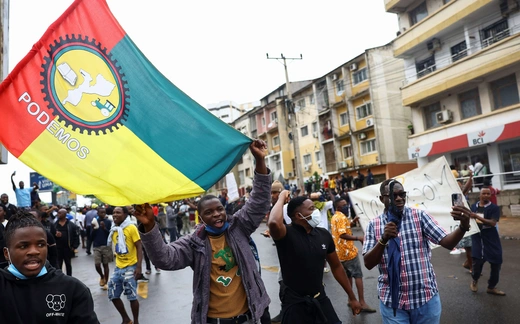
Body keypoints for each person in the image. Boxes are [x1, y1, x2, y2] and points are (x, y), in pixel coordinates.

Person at [135, 140, 271, 324]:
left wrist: (260, 161)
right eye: (209, 212)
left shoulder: (239, 226)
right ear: (201, 217)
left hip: (250, 317)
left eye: (219, 209)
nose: (216, 214)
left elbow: (259, 201)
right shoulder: (194, 242)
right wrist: (150, 226)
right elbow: (164, 259)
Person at [363, 179, 470, 323]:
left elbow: (448, 242)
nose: (399, 198)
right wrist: (383, 239)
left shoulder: (420, 217)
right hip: (392, 302)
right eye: (394, 196)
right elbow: (368, 263)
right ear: (382, 199)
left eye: (402, 194)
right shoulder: (373, 225)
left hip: (425, 299)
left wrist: (463, 226)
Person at [268, 191, 362, 323]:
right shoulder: (286, 234)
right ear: (298, 215)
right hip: (295, 303)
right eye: (311, 208)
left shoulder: (323, 235)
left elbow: (336, 267)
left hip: (320, 298)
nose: (316, 211)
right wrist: (282, 197)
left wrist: (352, 297)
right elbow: (273, 223)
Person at [0, 210, 98, 323]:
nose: (34, 251)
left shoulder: (73, 289)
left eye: (40, 245)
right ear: (7, 253)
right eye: (23, 246)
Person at [330, 197, 376, 313]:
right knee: (358, 276)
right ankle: (362, 302)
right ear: (339, 207)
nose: (347, 206)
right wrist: (358, 237)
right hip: (348, 252)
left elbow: (342, 228)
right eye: (344, 205)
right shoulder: (341, 217)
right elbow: (342, 234)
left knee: (348, 276)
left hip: (340, 253)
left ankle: (350, 300)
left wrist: (352, 222)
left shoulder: (336, 216)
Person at [464, 187, 505, 296]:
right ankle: (474, 280)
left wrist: (476, 216)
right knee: (477, 263)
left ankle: (491, 287)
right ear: (480, 195)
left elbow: (492, 223)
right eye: (484, 193)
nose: (486, 195)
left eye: (488, 194)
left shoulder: (494, 208)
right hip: (477, 238)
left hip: (491, 239)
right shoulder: (473, 206)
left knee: (496, 263)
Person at [107, 206, 143, 324]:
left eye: (118, 212)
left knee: (132, 296)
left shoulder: (131, 227)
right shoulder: (114, 228)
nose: (115, 215)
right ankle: (126, 319)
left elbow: (139, 246)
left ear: (125, 214)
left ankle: (136, 321)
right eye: (113, 213)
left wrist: (138, 267)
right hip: (118, 267)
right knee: (112, 294)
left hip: (131, 266)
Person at [91, 207, 113, 290]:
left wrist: (104, 228)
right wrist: (93, 229)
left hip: (106, 245)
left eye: (104, 212)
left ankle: (105, 282)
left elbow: (110, 234)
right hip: (97, 246)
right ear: (98, 213)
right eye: (101, 212)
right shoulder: (94, 222)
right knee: (97, 264)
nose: (103, 214)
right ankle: (102, 276)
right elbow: (90, 236)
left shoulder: (108, 222)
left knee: (105, 264)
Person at [54, 209, 80, 276]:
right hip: (58, 248)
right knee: (58, 264)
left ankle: (69, 278)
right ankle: (59, 278)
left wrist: (74, 246)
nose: (58, 214)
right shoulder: (55, 225)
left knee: (68, 264)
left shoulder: (71, 225)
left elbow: (76, 236)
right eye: (58, 213)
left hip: (68, 248)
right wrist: (55, 235)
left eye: (60, 213)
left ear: (64, 214)